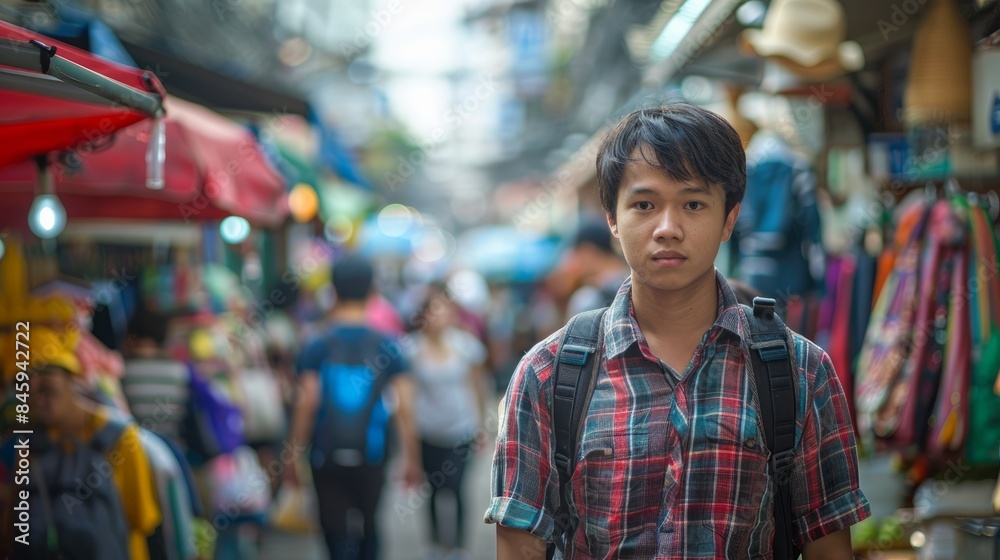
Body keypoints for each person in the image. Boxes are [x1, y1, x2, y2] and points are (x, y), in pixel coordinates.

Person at [485, 103, 870, 559]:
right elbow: (519, 547)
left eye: (693, 203)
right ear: (612, 217)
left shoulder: (801, 371)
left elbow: (829, 548)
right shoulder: (548, 375)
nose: (668, 228)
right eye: (644, 204)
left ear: (729, 218)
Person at [285, 253, 422, 560]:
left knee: (333, 531)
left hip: (324, 453)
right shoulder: (388, 345)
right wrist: (412, 458)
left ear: (332, 291)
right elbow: (404, 407)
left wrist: (291, 455)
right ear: (373, 290)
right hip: (373, 454)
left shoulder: (315, 343)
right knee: (369, 526)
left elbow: (306, 402)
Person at [0, 325, 161, 559]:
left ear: (71, 377)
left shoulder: (120, 439)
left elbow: (141, 521)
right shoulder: (27, 445)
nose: (34, 391)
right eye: (23, 383)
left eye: (44, 377)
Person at [405, 286, 488, 560]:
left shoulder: (466, 346)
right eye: (434, 309)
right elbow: (406, 396)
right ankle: (435, 544)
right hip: (427, 431)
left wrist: (481, 425)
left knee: (457, 488)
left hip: (461, 430)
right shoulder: (411, 350)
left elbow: (477, 386)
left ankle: (459, 547)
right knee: (432, 489)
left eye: (446, 309)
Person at [564, 217, 631, 318]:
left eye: (576, 253)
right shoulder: (639, 281)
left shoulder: (587, 298)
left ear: (588, 251)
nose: (574, 261)